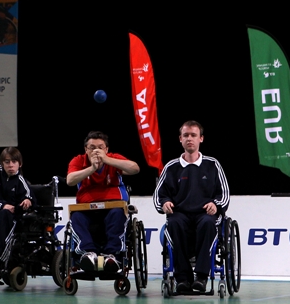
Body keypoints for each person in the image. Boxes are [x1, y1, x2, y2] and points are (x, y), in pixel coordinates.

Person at [153, 120, 230, 292]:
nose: (189, 138)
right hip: (180, 214)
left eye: (193, 135)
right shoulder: (171, 167)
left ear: (201, 139)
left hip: (205, 214)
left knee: (208, 223)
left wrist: (215, 205)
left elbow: (224, 194)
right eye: (186, 135)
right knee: (173, 223)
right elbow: (159, 195)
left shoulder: (212, 165)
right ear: (180, 139)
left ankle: (201, 277)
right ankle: (182, 279)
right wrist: (164, 203)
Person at [66, 131, 140, 272]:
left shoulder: (113, 158)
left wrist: (107, 160)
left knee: (118, 214)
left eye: (100, 147)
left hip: (113, 206)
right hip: (86, 209)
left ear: (106, 149)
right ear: (86, 150)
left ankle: (111, 256)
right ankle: (88, 254)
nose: (96, 151)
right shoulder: (78, 161)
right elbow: (70, 180)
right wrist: (92, 168)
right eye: (92, 148)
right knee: (76, 217)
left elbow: (135, 169)